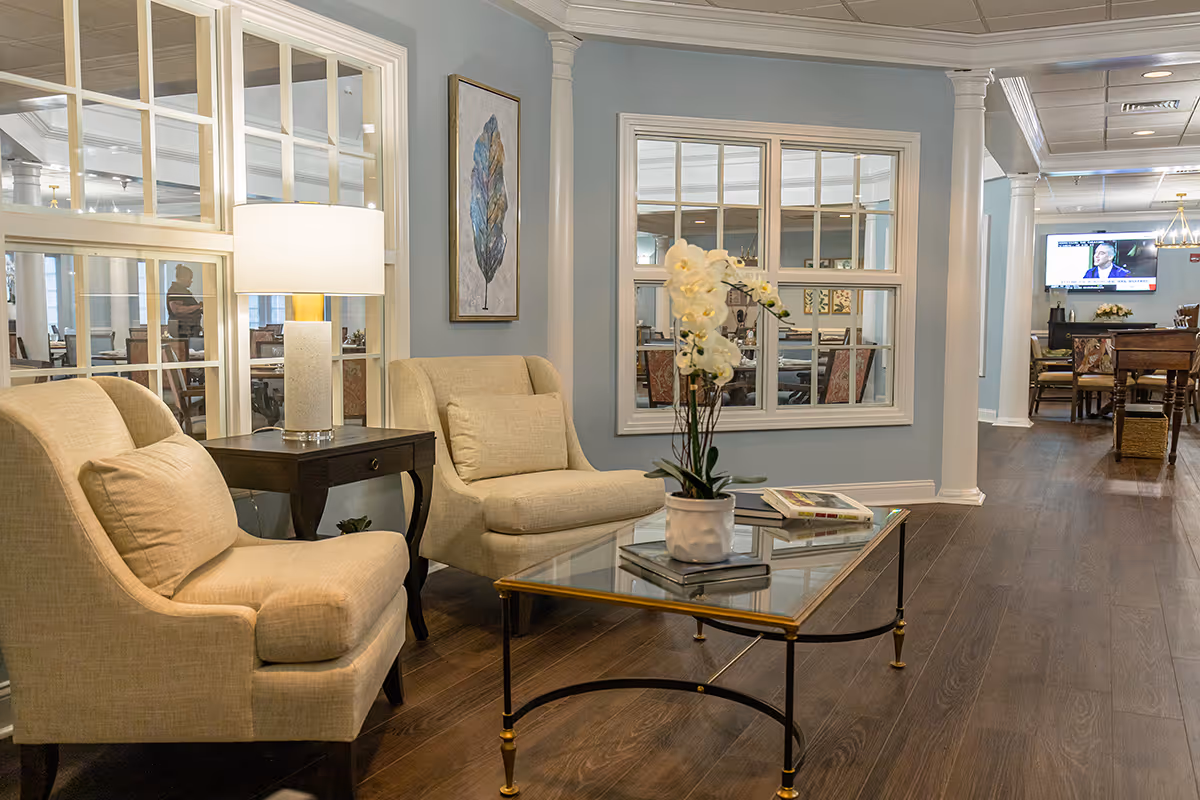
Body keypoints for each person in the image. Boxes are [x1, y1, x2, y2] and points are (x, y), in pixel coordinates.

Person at [166, 264, 204, 338]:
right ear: (183, 278)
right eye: (190, 278)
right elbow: (177, 309)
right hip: (182, 331)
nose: (191, 281)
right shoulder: (175, 290)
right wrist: (198, 307)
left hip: (188, 331)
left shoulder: (183, 291)